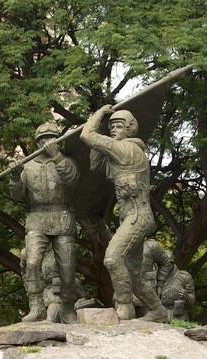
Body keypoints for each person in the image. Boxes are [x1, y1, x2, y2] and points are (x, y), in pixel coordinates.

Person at [81, 106, 169, 322]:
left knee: (112, 258)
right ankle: (157, 311)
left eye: (118, 126)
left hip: (138, 217)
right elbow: (94, 164)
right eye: (111, 127)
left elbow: (86, 135)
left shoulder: (127, 150)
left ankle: (125, 307)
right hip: (129, 218)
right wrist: (100, 133)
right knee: (135, 273)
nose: (113, 130)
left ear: (130, 130)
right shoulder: (117, 152)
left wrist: (100, 114)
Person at [9, 122, 80, 323]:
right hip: (36, 219)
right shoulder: (28, 166)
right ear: (37, 142)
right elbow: (16, 196)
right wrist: (15, 177)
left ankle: (67, 308)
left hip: (62, 217)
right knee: (31, 263)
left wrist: (57, 157)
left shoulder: (66, 161)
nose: (48, 142)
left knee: (67, 269)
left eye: (52, 138)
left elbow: (72, 179)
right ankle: (36, 306)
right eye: (43, 139)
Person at [141, 240, 195, 321]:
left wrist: (186, 296)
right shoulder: (152, 277)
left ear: (172, 262)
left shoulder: (184, 277)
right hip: (156, 318)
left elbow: (192, 300)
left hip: (177, 317)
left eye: (167, 263)